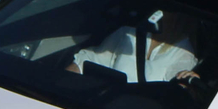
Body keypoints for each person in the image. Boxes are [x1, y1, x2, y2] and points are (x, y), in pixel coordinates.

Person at [68, 10, 202, 86]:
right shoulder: (127, 34)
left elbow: (177, 85)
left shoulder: (184, 52)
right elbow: (88, 60)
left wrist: (187, 82)